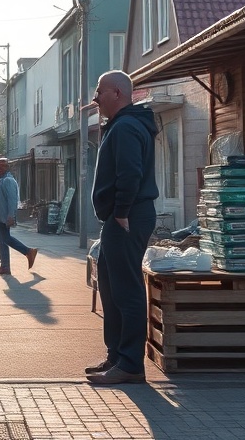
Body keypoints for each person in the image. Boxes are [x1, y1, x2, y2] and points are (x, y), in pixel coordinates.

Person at [85, 70, 158, 386]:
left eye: (99, 91)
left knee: (126, 291)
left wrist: (122, 213)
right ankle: (116, 356)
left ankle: (130, 365)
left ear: (116, 93)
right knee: (110, 288)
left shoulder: (127, 127)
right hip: (119, 218)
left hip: (126, 217)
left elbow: (130, 174)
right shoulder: (120, 125)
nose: (95, 98)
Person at [0, 157, 38, 276]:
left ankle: (28, 252)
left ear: (7, 167)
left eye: (0, 167)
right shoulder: (1, 180)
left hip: (4, 217)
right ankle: (5, 266)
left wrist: (11, 216)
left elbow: (12, 200)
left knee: (5, 239)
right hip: (0, 216)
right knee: (1, 241)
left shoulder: (8, 181)